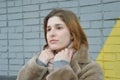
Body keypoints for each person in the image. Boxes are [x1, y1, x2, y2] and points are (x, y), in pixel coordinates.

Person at [17, 8, 103, 80]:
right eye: (48, 29)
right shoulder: (40, 61)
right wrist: (38, 65)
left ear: (72, 34)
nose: (51, 34)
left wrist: (61, 68)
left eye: (59, 28)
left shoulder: (91, 69)